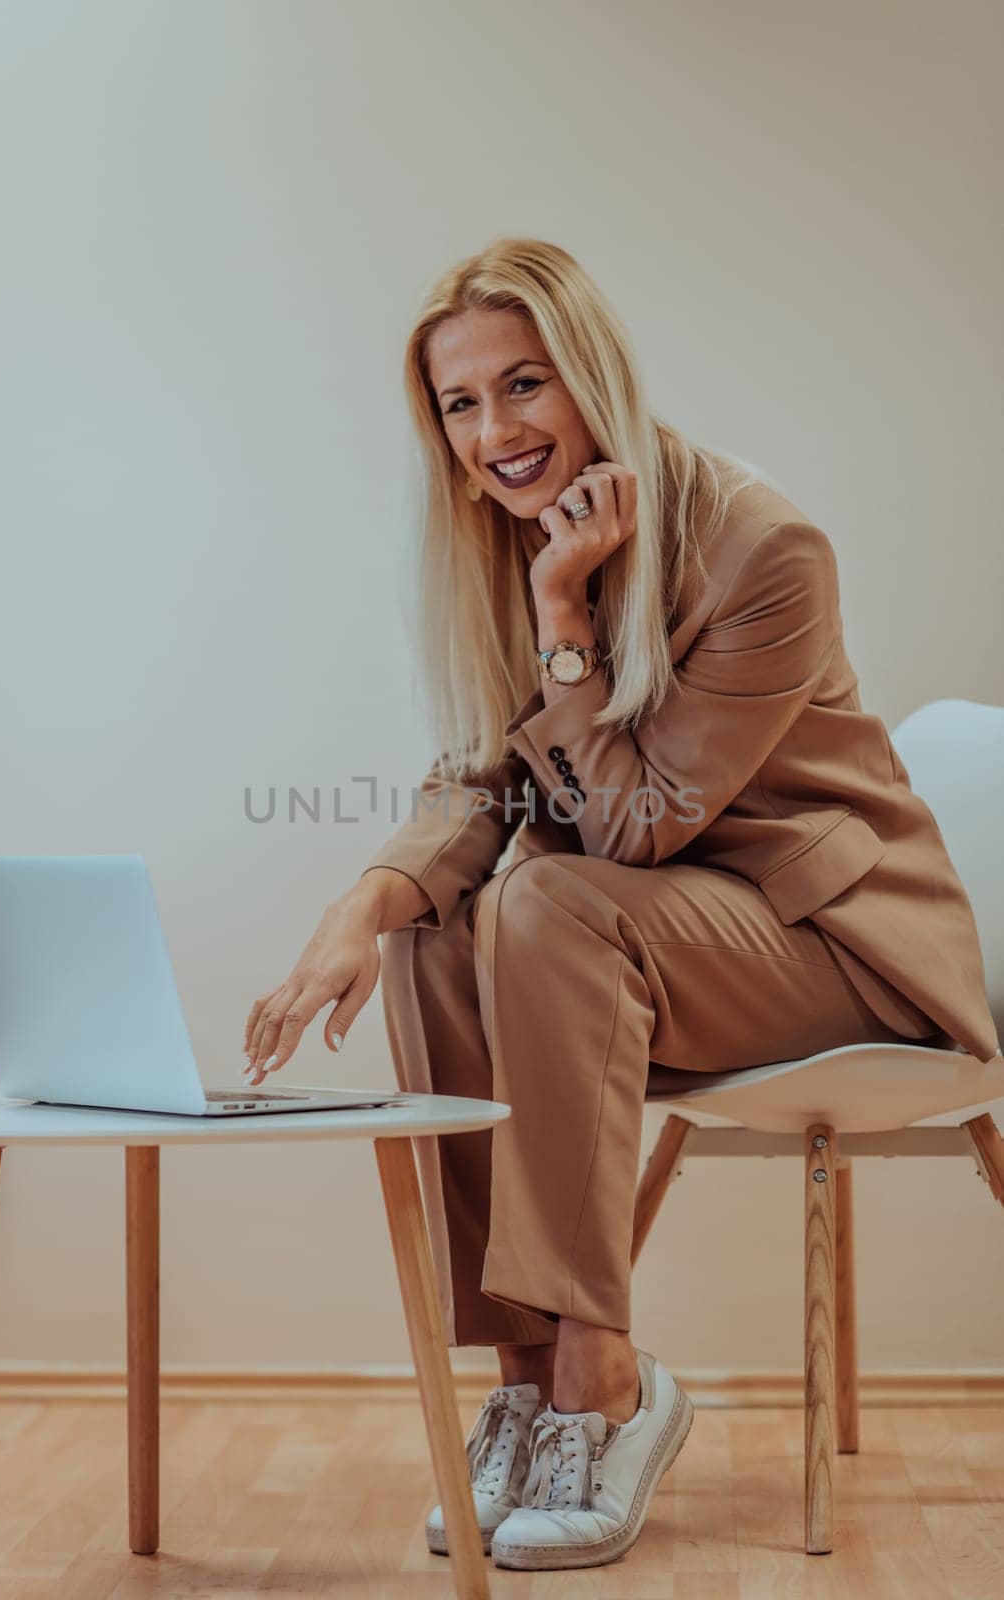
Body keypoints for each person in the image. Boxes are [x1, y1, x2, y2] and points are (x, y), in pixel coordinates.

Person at [241, 238, 999, 1572]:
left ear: (591, 373)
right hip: (661, 946)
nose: (496, 432)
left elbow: (640, 828)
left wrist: (566, 614)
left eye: (523, 385)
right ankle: (531, 1384)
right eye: (459, 405)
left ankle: (608, 1380)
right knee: (438, 924)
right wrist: (363, 900)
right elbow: (480, 777)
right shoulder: (497, 542)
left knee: (551, 905)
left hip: (840, 945)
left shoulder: (764, 548)